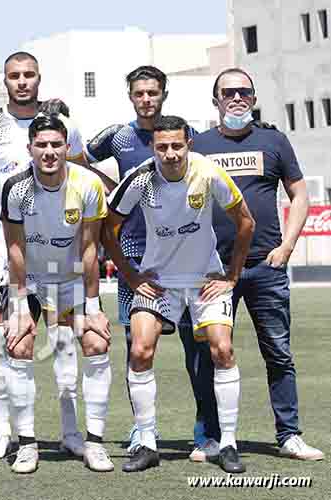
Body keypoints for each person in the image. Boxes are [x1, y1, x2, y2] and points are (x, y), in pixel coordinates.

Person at [103, 115, 255, 473]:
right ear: (153, 148)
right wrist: (131, 274)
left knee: (223, 349)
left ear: (188, 143)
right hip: (159, 281)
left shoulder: (207, 172)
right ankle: (147, 442)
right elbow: (108, 227)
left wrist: (232, 274)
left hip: (204, 280)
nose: (170, 154)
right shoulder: (140, 178)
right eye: (162, 147)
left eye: (176, 145)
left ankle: (228, 444)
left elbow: (245, 220)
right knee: (139, 350)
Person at [85, 65, 218, 460]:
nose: (146, 99)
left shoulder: (183, 135)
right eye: (139, 93)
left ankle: (205, 431)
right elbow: (77, 160)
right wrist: (111, 191)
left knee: (200, 348)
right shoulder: (118, 136)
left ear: (163, 94)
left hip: (185, 258)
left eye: (153, 92)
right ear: (131, 96)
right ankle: (144, 431)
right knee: (137, 346)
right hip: (136, 258)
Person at [192, 68, 324, 461]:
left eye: (244, 91)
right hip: (213, 272)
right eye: (227, 92)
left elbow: (298, 195)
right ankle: (211, 438)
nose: (236, 98)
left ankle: (289, 435)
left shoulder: (274, 141)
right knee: (210, 354)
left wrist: (287, 247)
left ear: (253, 97)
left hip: (266, 267)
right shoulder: (197, 146)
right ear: (215, 100)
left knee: (278, 353)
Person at [0, 51, 88, 460]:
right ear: (5, 80)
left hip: (60, 254)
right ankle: (4, 430)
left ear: (39, 77)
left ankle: (71, 430)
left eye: (28, 75)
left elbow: (82, 174)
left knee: (65, 340)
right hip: (7, 251)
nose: (22, 81)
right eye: (14, 75)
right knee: (4, 341)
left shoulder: (64, 126)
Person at [1, 114, 114, 473]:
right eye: (41, 145)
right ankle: (27, 444)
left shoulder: (88, 183)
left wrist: (93, 306)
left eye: (56, 145)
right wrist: (19, 306)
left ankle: (92, 442)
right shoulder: (15, 187)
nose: (49, 152)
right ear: (30, 148)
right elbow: (15, 250)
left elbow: (90, 249)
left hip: (72, 279)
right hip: (32, 278)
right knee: (19, 346)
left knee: (96, 343)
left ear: (68, 147)